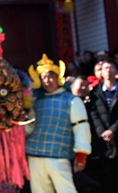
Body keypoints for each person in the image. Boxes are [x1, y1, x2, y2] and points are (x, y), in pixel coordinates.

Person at [25, 54, 91, 193]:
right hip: (34, 154)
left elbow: (81, 127)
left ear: (58, 78)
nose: (47, 81)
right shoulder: (37, 102)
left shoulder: (72, 100)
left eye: (50, 77)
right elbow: (29, 126)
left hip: (58, 155)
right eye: (43, 78)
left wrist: (81, 154)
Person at [86, 61, 118, 193]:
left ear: (117, 71)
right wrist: (103, 133)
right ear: (100, 72)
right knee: (108, 179)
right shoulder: (95, 92)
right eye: (105, 68)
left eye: (111, 67)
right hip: (104, 143)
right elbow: (94, 114)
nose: (108, 71)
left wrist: (113, 131)